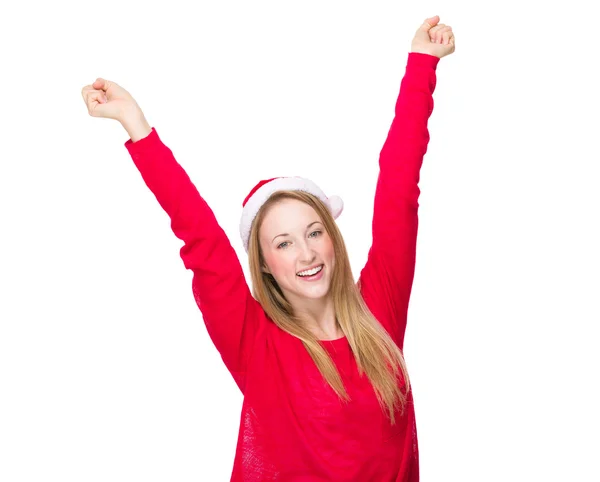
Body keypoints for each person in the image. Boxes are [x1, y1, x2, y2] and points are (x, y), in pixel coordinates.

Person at [81, 14, 455, 482]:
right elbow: (201, 238)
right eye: (284, 242)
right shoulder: (256, 344)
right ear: (265, 265)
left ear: (333, 240)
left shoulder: (380, 312)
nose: (306, 253)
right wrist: (136, 125)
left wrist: (422, 64)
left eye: (314, 232)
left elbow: (399, 188)